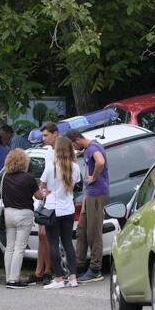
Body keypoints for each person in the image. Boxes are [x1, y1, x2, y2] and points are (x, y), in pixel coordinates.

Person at [65, 128, 109, 283]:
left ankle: (95, 269)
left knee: (93, 232)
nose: (74, 149)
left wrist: (93, 177)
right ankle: (79, 265)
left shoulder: (92, 148)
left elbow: (100, 161)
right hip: (89, 194)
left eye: (73, 145)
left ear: (76, 140)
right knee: (81, 230)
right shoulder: (89, 148)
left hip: (97, 194)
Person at [2, 149, 46, 289]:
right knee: (19, 248)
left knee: (10, 247)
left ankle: (9, 277)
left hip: (8, 213)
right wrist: (46, 193)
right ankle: (14, 280)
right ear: (23, 162)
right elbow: (39, 195)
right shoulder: (28, 178)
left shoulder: (6, 176)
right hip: (23, 214)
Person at [41, 137, 81, 289]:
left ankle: (58, 278)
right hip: (68, 208)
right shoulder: (75, 167)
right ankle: (72, 277)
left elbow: (43, 186)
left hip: (53, 208)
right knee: (68, 243)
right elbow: (75, 183)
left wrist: (45, 190)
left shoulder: (51, 167)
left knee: (53, 243)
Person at [27, 121, 59, 285]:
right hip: (47, 197)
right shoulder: (47, 152)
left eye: (46, 135)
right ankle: (40, 271)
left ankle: (47, 270)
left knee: (46, 234)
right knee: (41, 235)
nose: (44, 139)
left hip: (58, 199)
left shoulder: (63, 151)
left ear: (55, 134)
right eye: (43, 136)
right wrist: (43, 187)